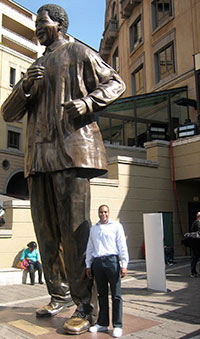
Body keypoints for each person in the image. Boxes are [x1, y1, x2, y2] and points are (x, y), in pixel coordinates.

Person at [1, 4, 125, 335]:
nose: (37, 29)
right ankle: (57, 295)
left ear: (59, 24)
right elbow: (7, 114)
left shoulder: (78, 52)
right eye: (36, 25)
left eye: (42, 24)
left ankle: (85, 306)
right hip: (38, 161)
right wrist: (24, 86)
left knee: (74, 235)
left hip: (70, 154)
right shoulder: (35, 67)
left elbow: (116, 82)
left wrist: (87, 103)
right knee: (45, 234)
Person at [86, 205, 129, 338]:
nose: (103, 214)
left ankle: (117, 325)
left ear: (109, 213)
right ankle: (103, 323)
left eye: (105, 212)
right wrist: (88, 265)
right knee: (102, 295)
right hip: (98, 263)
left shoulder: (116, 227)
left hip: (112, 262)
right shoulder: (94, 229)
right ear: (98, 213)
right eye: (101, 212)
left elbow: (122, 245)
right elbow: (90, 248)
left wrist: (124, 264)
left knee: (116, 295)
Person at [190, 212, 200, 277]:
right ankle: (193, 272)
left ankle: (193, 272)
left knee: (194, 258)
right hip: (198, 243)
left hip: (195, 243)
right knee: (195, 258)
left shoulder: (194, 222)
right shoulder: (198, 222)